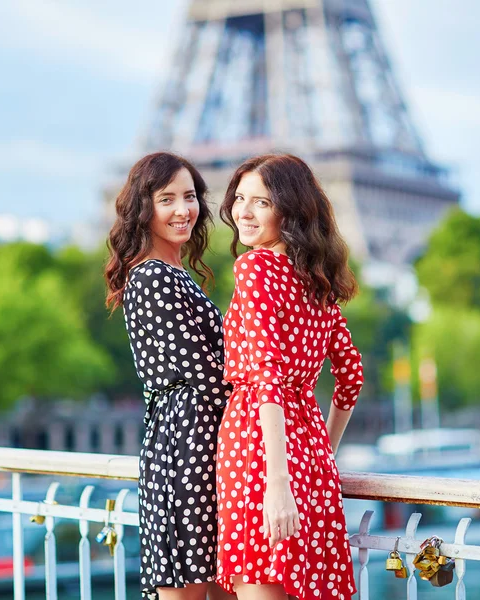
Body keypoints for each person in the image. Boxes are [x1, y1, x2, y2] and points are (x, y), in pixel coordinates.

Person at [215, 154, 364, 599]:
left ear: (289, 210)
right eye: (240, 198)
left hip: (258, 451)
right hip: (312, 454)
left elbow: (265, 374)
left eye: (260, 202)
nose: (243, 211)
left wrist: (277, 479)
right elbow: (351, 376)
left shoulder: (256, 268)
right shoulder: (317, 282)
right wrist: (323, 455)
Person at [105, 152, 232, 600]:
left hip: (191, 441)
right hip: (191, 448)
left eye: (190, 196)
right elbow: (209, 376)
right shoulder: (155, 277)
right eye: (167, 199)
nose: (184, 209)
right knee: (193, 584)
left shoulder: (171, 273)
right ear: (145, 208)